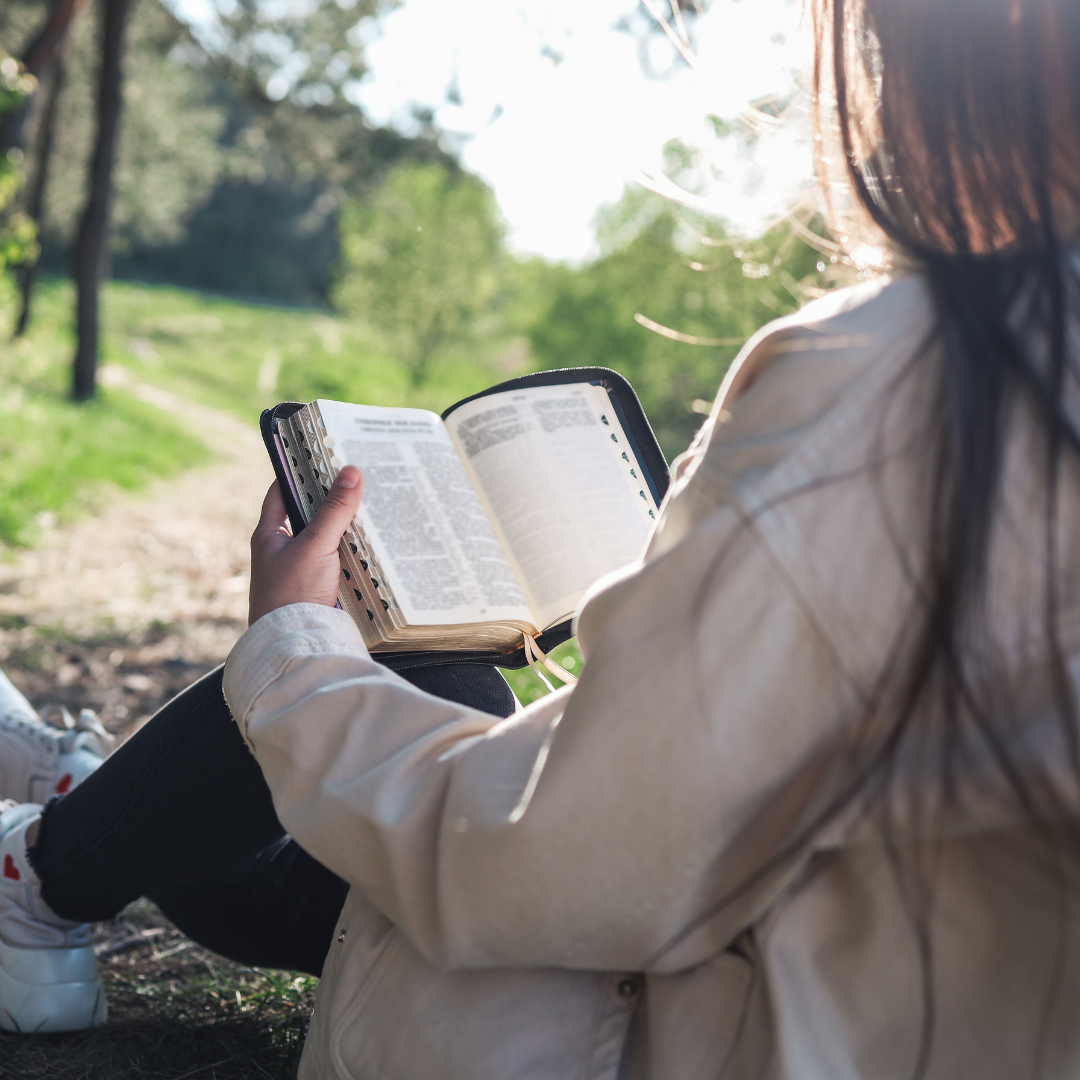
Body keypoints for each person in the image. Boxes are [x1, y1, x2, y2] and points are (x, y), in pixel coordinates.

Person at [4, 0, 1080, 1074]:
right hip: (835, 959)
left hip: (680, 998)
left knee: (380, 703)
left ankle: (50, 853)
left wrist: (290, 646)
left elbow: (557, 861)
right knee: (448, 696)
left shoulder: (903, 380)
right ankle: (83, 797)